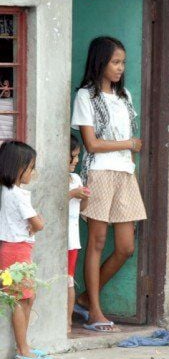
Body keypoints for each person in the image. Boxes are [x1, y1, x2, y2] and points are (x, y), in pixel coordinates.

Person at [71, 36, 146, 332]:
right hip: (99, 173)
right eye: (115, 62)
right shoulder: (85, 96)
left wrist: (130, 164)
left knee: (126, 246)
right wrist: (127, 143)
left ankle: (86, 299)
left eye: (122, 62)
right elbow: (90, 143)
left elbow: (125, 146)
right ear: (100, 62)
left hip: (125, 173)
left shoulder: (124, 95)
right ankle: (95, 313)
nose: (120, 67)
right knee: (98, 243)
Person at [0, 141, 51, 359]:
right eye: (31, 167)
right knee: (21, 300)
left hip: (15, 249)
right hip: (17, 250)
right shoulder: (17, 194)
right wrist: (38, 221)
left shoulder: (6, 191)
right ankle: (23, 351)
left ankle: (25, 347)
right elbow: (38, 224)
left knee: (27, 298)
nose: (33, 172)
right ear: (18, 168)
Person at [67, 134, 90, 333]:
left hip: (72, 239)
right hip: (57, 239)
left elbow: (82, 207)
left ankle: (67, 322)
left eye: (76, 157)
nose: (75, 161)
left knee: (69, 280)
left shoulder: (75, 178)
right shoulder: (54, 179)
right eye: (72, 157)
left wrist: (83, 196)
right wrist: (72, 194)